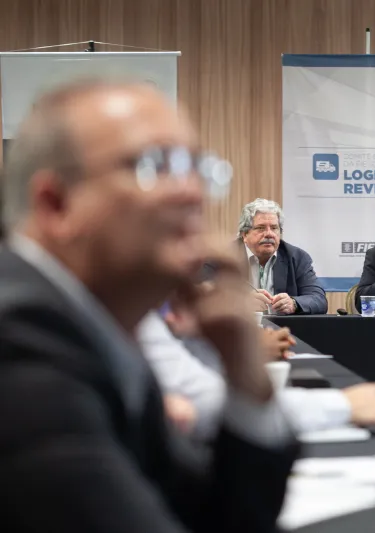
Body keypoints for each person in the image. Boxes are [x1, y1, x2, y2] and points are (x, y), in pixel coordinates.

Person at [0, 79, 297, 532]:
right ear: (55, 203)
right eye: (155, 166)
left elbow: (213, 517)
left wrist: (243, 371)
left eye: (197, 169)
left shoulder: (108, 327)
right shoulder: (21, 348)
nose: (191, 193)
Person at [137, 307, 375, 440]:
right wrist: (343, 405)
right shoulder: (128, 313)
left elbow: (315, 296)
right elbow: (202, 398)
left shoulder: (294, 257)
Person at [237, 198, 327, 315]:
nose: (269, 234)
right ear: (244, 234)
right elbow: (206, 301)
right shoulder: (222, 258)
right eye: (261, 228)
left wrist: (294, 303)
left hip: (283, 330)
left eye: (274, 228)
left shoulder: (297, 258)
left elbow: (318, 299)